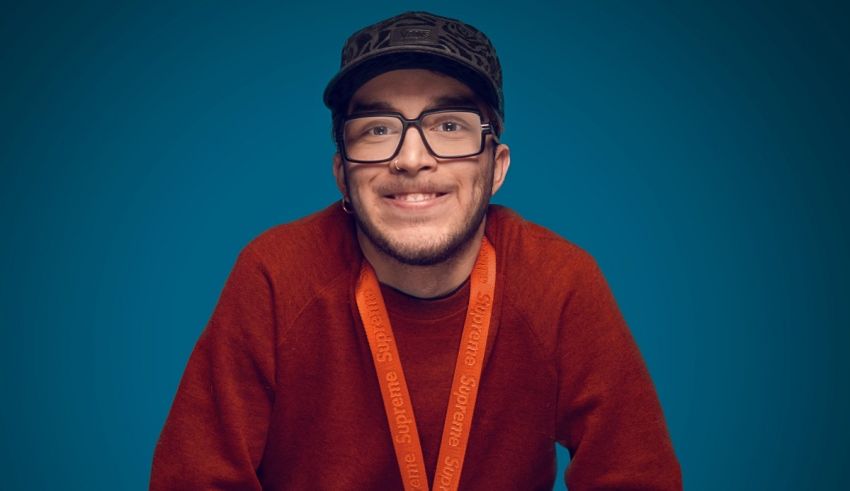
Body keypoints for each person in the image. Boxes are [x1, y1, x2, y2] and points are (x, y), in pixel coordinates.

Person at [151, 11, 682, 491]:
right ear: (342, 173)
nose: (410, 159)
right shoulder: (275, 275)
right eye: (377, 129)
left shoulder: (558, 282)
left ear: (495, 167)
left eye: (448, 126)